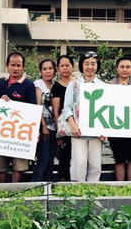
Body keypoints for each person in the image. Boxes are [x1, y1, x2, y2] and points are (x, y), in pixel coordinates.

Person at [0, 51, 36, 183]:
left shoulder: (29, 85)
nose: (15, 68)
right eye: (12, 65)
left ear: (23, 66)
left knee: (19, 166)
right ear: (7, 66)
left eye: (18, 65)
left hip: (20, 132)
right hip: (0, 131)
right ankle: (1, 194)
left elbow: (32, 109)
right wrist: (0, 100)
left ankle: (15, 194)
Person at [63, 51, 105, 181]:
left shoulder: (103, 86)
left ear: (97, 65)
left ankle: (92, 193)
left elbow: (106, 110)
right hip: (78, 131)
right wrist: (73, 125)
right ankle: (77, 192)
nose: (90, 67)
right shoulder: (74, 84)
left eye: (93, 63)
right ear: (82, 65)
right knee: (79, 163)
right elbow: (67, 107)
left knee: (95, 165)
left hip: (96, 133)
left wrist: (104, 130)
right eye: (86, 64)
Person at [107, 56, 131, 181]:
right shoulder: (108, 85)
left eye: (128, 67)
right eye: (122, 66)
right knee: (119, 160)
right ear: (117, 68)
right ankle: (119, 188)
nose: (125, 69)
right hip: (115, 126)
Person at [32, 59, 57, 181]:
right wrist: (44, 127)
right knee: (43, 159)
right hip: (43, 129)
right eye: (44, 69)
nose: (48, 71)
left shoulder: (55, 85)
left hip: (54, 128)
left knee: (51, 160)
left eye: (50, 68)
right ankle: (35, 187)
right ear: (41, 71)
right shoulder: (38, 84)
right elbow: (37, 106)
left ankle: (48, 189)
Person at [51, 55, 75, 181]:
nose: (65, 68)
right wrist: (59, 135)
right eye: (62, 66)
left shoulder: (78, 83)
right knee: (65, 157)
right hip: (65, 129)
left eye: (67, 65)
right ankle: (64, 185)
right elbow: (56, 112)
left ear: (73, 66)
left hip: (78, 127)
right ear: (58, 68)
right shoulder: (56, 87)